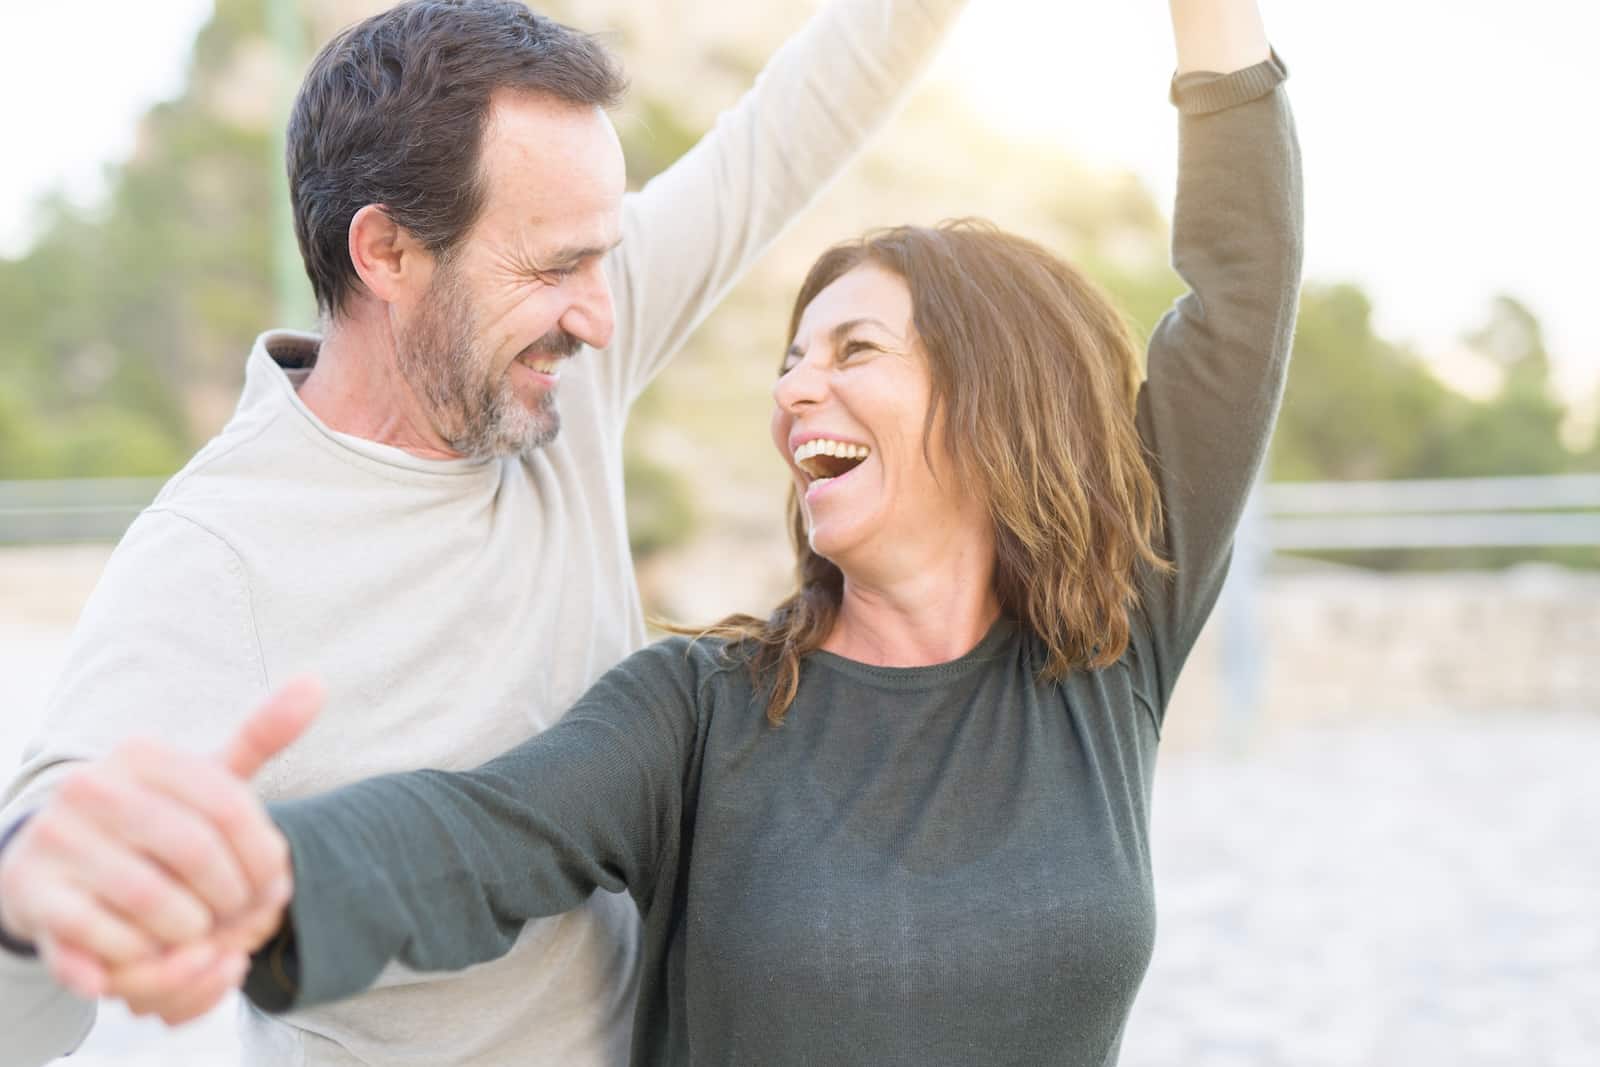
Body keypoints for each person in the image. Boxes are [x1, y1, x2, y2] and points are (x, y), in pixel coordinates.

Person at [30, 1, 1300, 1061]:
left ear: (993, 402)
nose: (601, 314)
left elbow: (809, 117)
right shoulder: (696, 707)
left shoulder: (1103, 647)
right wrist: (241, 877)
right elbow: (473, 834)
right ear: (388, 254)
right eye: (558, 267)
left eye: (854, 349)